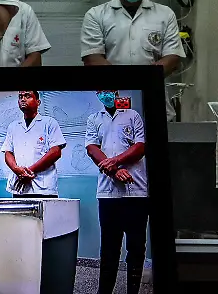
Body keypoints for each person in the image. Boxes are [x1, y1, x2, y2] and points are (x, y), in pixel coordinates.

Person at [80, 0, 186, 121]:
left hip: (153, 97)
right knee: (114, 132)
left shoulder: (165, 14)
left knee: (156, 135)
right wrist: (130, 82)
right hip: (111, 99)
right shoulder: (96, 15)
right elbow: (92, 59)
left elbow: (172, 58)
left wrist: (143, 82)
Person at [85, 90, 148, 294]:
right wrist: (115, 171)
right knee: (109, 248)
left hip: (136, 191)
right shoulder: (94, 119)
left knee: (136, 247)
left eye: (109, 90)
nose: (106, 94)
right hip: (108, 193)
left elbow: (140, 147)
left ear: (116, 92)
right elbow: (92, 148)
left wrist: (115, 161)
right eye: (102, 91)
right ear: (97, 94)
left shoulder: (132, 115)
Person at [1, 91, 67, 197]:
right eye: (20, 97)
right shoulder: (13, 127)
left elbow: (55, 152)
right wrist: (16, 169)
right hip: (19, 186)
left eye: (28, 96)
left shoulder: (49, 123)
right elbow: (8, 152)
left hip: (43, 188)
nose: (23, 99)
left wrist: (28, 171)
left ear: (38, 102)